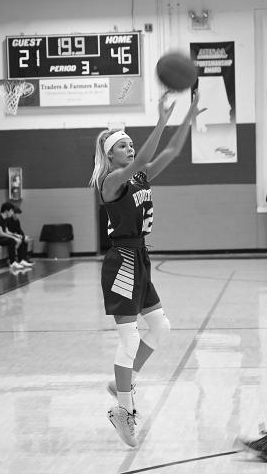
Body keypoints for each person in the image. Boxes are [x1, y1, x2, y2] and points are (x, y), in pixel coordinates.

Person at [89, 91, 203, 447]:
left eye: (131, 144)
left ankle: (125, 379)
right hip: (121, 262)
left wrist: (188, 117)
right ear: (110, 154)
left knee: (160, 326)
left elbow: (168, 153)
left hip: (140, 258)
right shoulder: (110, 182)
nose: (131, 149)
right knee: (130, 339)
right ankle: (123, 411)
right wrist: (162, 120)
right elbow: (143, 160)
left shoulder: (138, 178)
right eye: (125, 146)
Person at [0, 202, 31, 270]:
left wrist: (17, 236)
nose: (12, 213)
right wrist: (14, 238)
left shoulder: (5, 219)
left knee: (21, 239)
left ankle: (21, 260)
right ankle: (12, 262)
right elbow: (1, 233)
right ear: (7, 211)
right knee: (11, 241)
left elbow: (7, 231)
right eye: (12, 211)